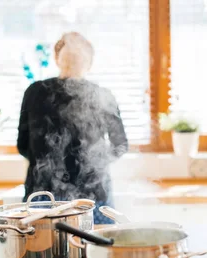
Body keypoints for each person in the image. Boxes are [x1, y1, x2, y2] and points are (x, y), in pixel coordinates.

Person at [17, 32, 128, 224]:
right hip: (64, 195)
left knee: (46, 250)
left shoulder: (35, 92)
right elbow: (120, 145)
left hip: (56, 195)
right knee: (95, 249)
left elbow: (23, 145)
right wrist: (93, 166)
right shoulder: (101, 95)